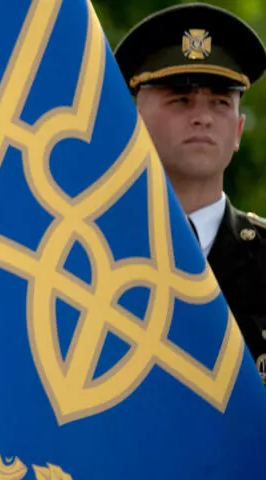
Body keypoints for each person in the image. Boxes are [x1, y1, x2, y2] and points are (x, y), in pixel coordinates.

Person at [114, 3, 266, 378]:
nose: (203, 117)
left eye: (220, 102)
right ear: (134, 123)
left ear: (238, 130)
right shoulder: (93, 250)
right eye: (180, 99)